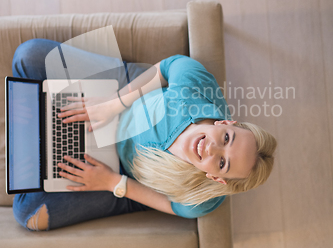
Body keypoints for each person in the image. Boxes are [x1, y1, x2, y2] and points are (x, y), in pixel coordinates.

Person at [12, 39, 277, 231]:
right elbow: (167, 67)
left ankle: (39, 129)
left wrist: (110, 182)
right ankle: (41, 128)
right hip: (125, 98)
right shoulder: (196, 90)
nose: (211, 148)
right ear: (226, 122)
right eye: (227, 138)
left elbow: (169, 205)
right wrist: (112, 103)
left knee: (28, 214)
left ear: (218, 179)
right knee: (28, 55)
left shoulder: (203, 199)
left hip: (122, 173)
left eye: (222, 162)